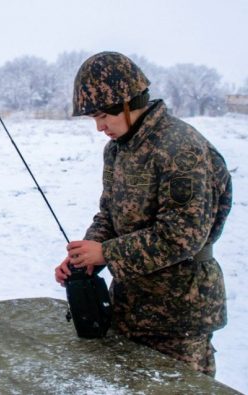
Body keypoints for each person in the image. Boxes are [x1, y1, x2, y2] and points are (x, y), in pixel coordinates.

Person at [54, 51, 232, 376]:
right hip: (128, 308)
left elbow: (180, 238)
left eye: (102, 116)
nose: (99, 127)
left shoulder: (181, 150)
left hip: (179, 319)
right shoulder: (119, 148)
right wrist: (86, 256)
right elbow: (109, 214)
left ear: (126, 102)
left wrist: (106, 252)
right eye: (93, 118)